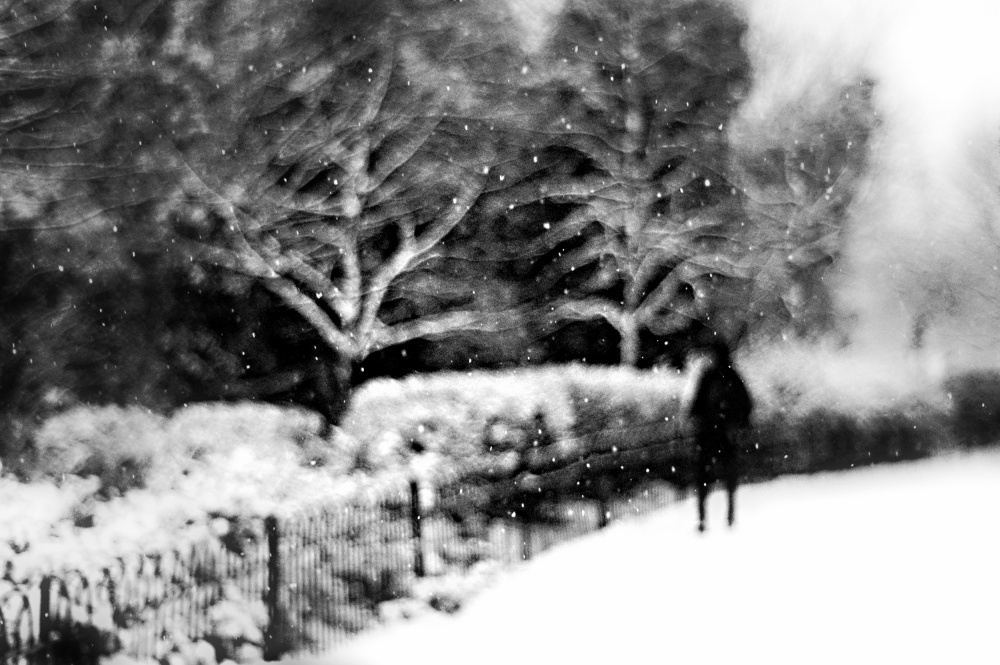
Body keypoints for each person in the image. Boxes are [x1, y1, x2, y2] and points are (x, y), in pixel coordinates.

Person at [688, 340, 752, 533]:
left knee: (704, 477)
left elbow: (695, 405)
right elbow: (746, 405)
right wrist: (738, 424)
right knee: (728, 476)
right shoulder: (731, 376)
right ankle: (728, 516)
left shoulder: (709, 376)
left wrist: (698, 421)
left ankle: (703, 518)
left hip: (709, 434)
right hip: (724, 434)